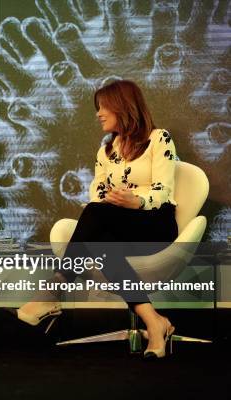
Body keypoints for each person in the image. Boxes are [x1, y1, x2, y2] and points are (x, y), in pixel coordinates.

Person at [15, 80, 178, 359]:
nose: (98, 113)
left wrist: (135, 200)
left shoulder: (159, 138)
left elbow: (164, 190)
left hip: (155, 224)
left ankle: (53, 289)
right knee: (101, 241)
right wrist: (114, 200)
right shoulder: (106, 150)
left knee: (95, 215)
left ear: (124, 107)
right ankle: (154, 321)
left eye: (104, 107)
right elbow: (97, 192)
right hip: (116, 225)